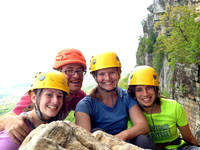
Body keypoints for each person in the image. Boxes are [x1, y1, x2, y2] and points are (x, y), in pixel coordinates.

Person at [0, 48, 87, 144]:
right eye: (69, 70)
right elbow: (10, 118)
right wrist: (6, 122)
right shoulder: (38, 96)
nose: (76, 76)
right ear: (58, 73)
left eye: (79, 71)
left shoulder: (78, 96)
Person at [75, 51, 156, 149]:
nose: (107, 78)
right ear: (95, 77)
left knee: (143, 140)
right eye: (102, 74)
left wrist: (120, 137)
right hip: (99, 145)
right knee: (97, 131)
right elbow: (85, 140)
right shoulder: (85, 105)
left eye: (112, 72)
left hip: (123, 143)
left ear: (119, 73)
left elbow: (143, 126)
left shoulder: (126, 97)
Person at [128, 65, 200, 150]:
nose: (145, 94)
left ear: (155, 89)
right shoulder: (132, 113)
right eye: (139, 90)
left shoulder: (174, 107)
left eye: (149, 88)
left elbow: (189, 138)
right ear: (134, 94)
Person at [0, 71, 70, 150]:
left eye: (59, 96)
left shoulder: (50, 125)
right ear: (34, 97)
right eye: (49, 95)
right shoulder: (17, 131)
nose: (55, 101)